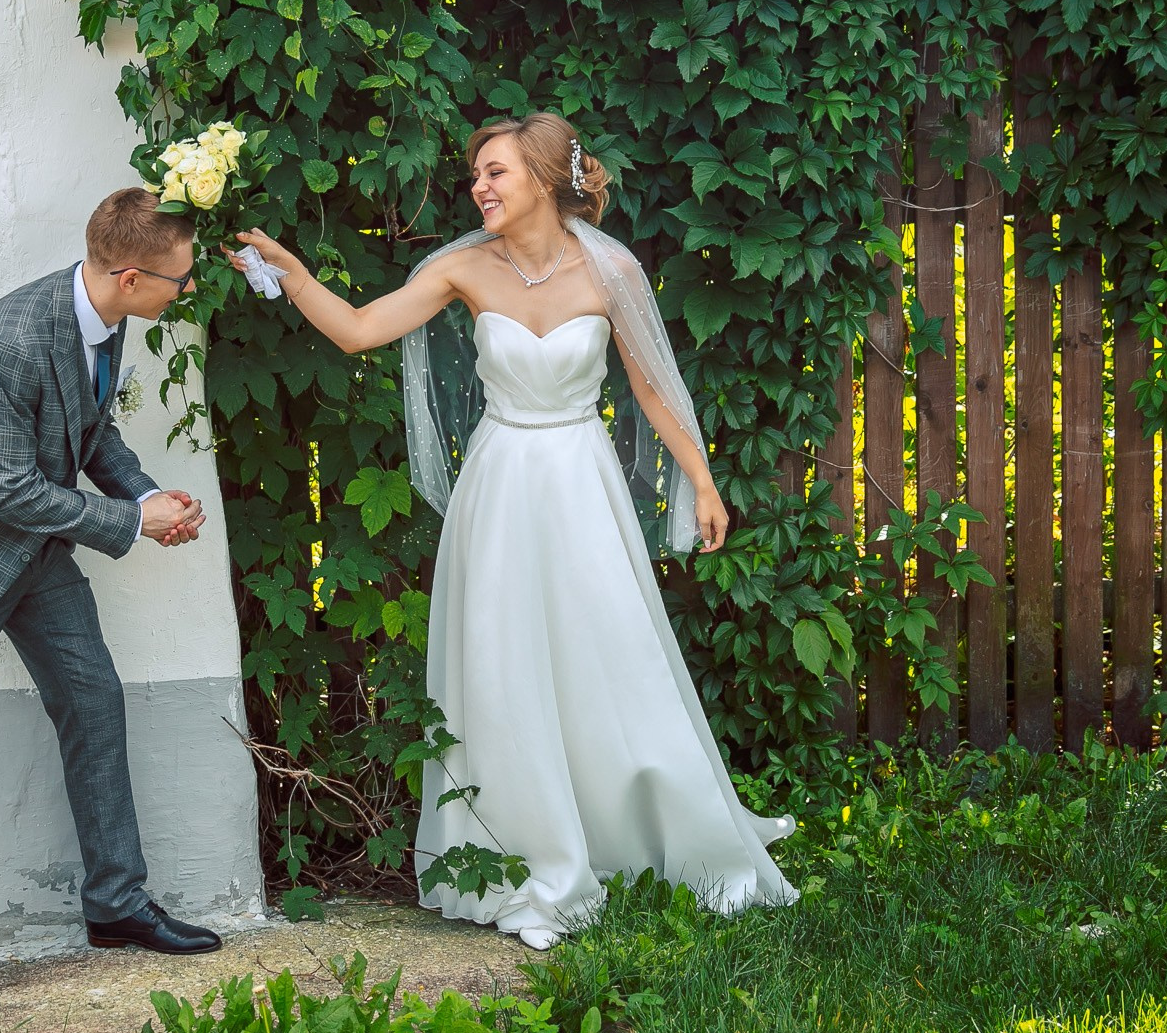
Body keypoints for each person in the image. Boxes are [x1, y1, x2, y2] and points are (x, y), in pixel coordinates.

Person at [230, 114, 796, 949]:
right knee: (504, 665)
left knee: (611, 649)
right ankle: (523, 852)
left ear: (540, 175)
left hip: (581, 483)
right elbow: (357, 329)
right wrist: (295, 272)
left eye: (495, 172)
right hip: (498, 489)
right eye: (474, 177)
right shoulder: (462, 268)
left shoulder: (613, 270)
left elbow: (651, 388)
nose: (479, 189)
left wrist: (703, 480)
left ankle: (644, 822)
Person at [0, 187, 227, 1033]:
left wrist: (143, 493)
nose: (186, 292)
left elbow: (89, 434)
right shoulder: (11, 338)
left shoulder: (108, 318)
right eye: (180, 281)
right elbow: (10, 487)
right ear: (133, 275)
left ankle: (115, 903)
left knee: (94, 701)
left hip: (33, 552)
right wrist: (132, 522)